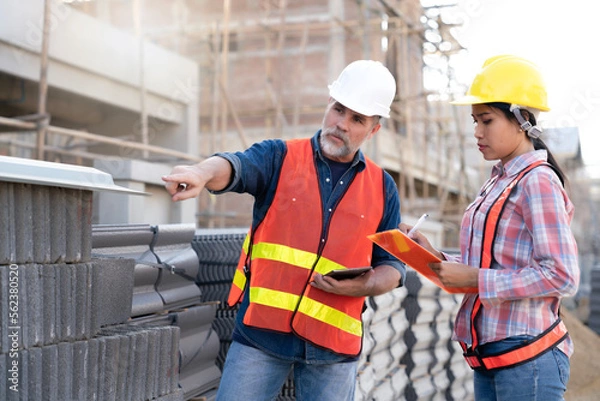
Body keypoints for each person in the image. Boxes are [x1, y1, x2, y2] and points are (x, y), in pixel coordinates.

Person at [163, 59, 405, 401]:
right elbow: (235, 165)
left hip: (333, 348)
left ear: (373, 130)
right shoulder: (279, 156)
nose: (341, 124)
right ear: (328, 105)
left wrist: (367, 283)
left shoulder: (383, 188)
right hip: (262, 337)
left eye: (357, 119)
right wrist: (202, 173)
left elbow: (392, 267)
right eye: (338, 109)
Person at [400, 55, 580, 401]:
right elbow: (492, 262)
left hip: (528, 363)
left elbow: (562, 275)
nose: (477, 132)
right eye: (474, 121)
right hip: (491, 361)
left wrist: (474, 279)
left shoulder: (537, 182)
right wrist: (433, 254)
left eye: (486, 120)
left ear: (522, 120)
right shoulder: (496, 180)